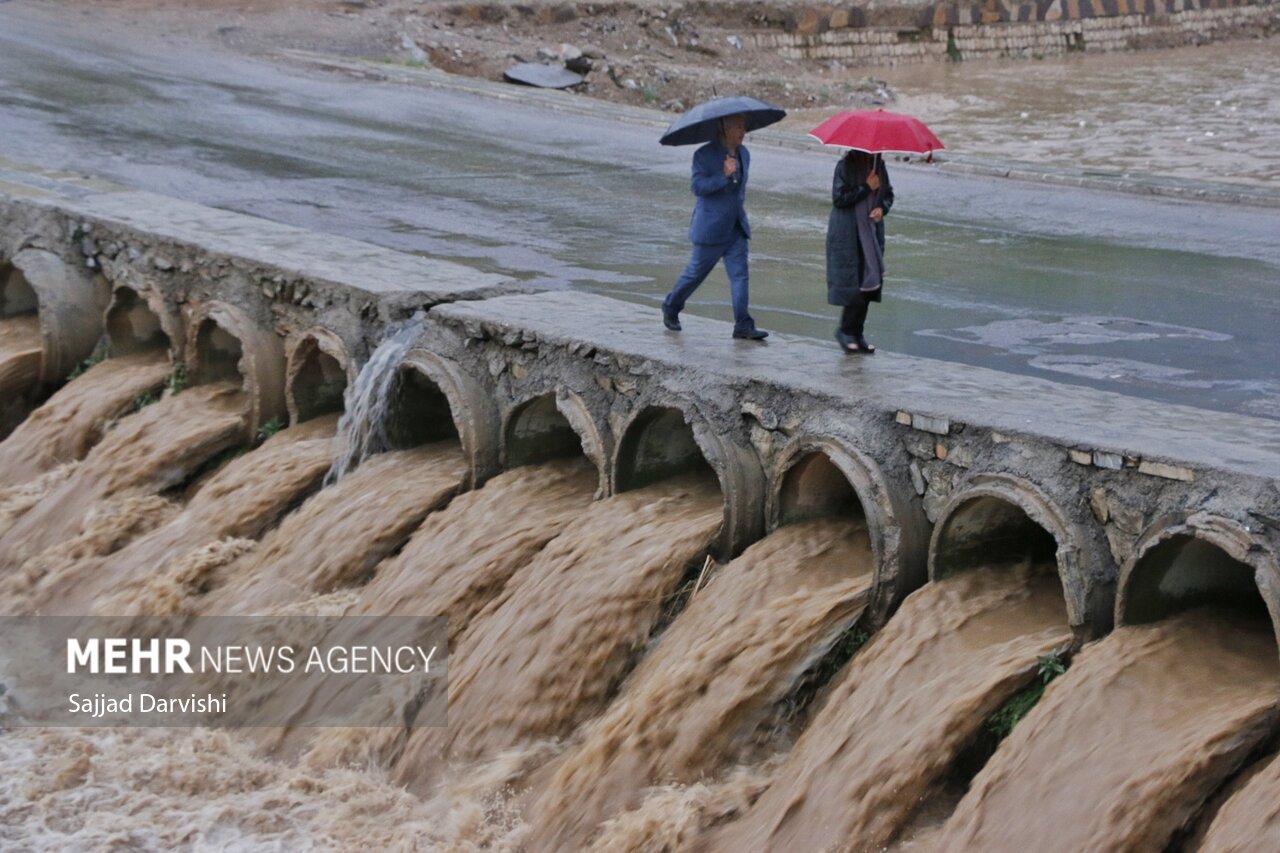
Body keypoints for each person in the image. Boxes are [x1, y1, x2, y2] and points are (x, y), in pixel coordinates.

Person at [662, 114, 768, 341]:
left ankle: (743, 324)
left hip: (736, 228)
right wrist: (723, 175)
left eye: (744, 126)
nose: (743, 131)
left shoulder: (745, 154)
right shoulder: (703, 155)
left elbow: (739, 191)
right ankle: (671, 306)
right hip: (710, 229)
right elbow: (697, 187)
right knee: (695, 274)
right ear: (724, 129)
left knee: (740, 276)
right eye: (738, 127)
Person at [826, 149, 893, 354]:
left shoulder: (879, 166)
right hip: (849, 233)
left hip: (871, 232)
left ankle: (857, 333)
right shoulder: (845, 165)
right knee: (855, 284)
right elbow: (839, 198)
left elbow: (888, 194)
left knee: (870, 284)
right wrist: (866, 187)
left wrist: (882, 208)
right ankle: (845, 331)